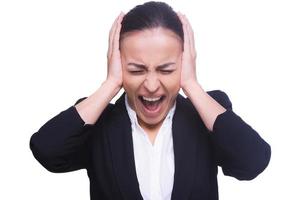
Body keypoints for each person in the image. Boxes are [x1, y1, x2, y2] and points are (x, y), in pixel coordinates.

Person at [29, 1, 271, 200]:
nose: (152, 85)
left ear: (185, 63)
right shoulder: (97, 121)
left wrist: (192, 85)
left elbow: (254, 161)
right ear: (119, 64)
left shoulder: (207, 113)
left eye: (166, 69)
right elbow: (46, 150)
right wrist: (111, 83)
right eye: (136, 70)